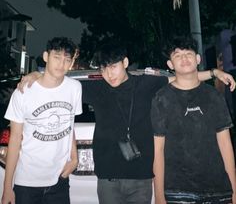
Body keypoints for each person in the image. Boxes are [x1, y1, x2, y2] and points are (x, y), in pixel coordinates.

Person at [17, 41, 236, 204]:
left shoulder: (146, 83)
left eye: (113, 66)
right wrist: (36, 74)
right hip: (108, 178)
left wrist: (215, 72)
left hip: (141, 177)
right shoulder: (96, 88)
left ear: (125, 63)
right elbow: (59, 79)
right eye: (103, 68)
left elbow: (183, 77)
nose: (108, 74)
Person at [151, 36, 236, 204]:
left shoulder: (214, 96)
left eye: (188, 53)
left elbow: (226, 144)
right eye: (177, 55)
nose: (184, 58)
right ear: (170, 64)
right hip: (177, 191)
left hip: (218, 190)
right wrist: (159, 196)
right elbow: (158, 150)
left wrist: (234, 190)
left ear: (198, 59)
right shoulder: (161, 99)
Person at [1, 37, 82, 204]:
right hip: (27, 182)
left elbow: (69, 124)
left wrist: (74, 158)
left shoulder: (74, 88)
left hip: (59, 180)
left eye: (67, 59)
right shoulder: (23, 92)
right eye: (57, 57)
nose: (61, 64)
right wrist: (7, 187)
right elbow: (15, 139)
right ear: (46, 56)